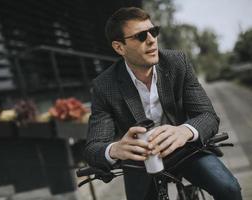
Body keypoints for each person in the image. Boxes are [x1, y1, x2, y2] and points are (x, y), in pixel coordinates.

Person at [84, 7, 242, 200]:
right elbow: (93, 147)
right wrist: (115, 149)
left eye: (154, 31)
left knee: (229, 189)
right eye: (141, 36)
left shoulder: (177, 62)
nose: (152, 40)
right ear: (119, 47)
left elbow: (207, 116)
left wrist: (184, 131)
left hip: (186, 150)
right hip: (141, 162)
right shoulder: (104, 85)